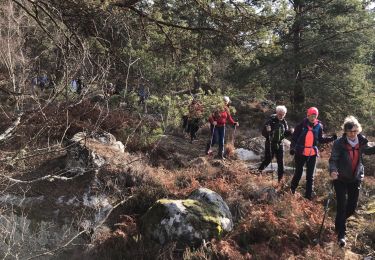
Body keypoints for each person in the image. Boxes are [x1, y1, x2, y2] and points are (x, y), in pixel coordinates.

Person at [329, 116, 375, 247]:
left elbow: (369, 150)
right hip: (340, 178)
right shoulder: (339, 143)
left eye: (355, 131)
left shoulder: (362, 141)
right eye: (350, 131)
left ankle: (339, 222)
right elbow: (333, 159)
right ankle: (341, 235)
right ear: (345, 131)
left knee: (352, 207)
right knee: (342, 206)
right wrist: (333, 170)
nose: (353, 134)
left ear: (358, 130)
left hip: (355, 178)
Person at [290, 107, 337, 200]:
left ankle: (308, 197)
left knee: (310, 176)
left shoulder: (319, 126)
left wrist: (331, 138)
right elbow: (294, 138)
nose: (313, 117)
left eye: (315, 115)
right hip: (300, 152)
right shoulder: (301, 125)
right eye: (311, 115)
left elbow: (320, 139)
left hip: (312, 154)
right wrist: (292, 148)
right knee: (298, 173)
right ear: (308, 115)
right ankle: (291, 191)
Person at [258, 105, 293, 182]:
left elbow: (285, 134)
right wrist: (268, 132)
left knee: (281, 162)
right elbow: (263, 133)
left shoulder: (284, 122)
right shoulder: (270, 121)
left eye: (283, 114)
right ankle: (259, 171)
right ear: (277, 113)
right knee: (268, 159)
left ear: (285, 114)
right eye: (280, 114)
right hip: (270, 143)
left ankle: (280, 181)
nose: (281, 116)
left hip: (280, 144)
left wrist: (290, 132)